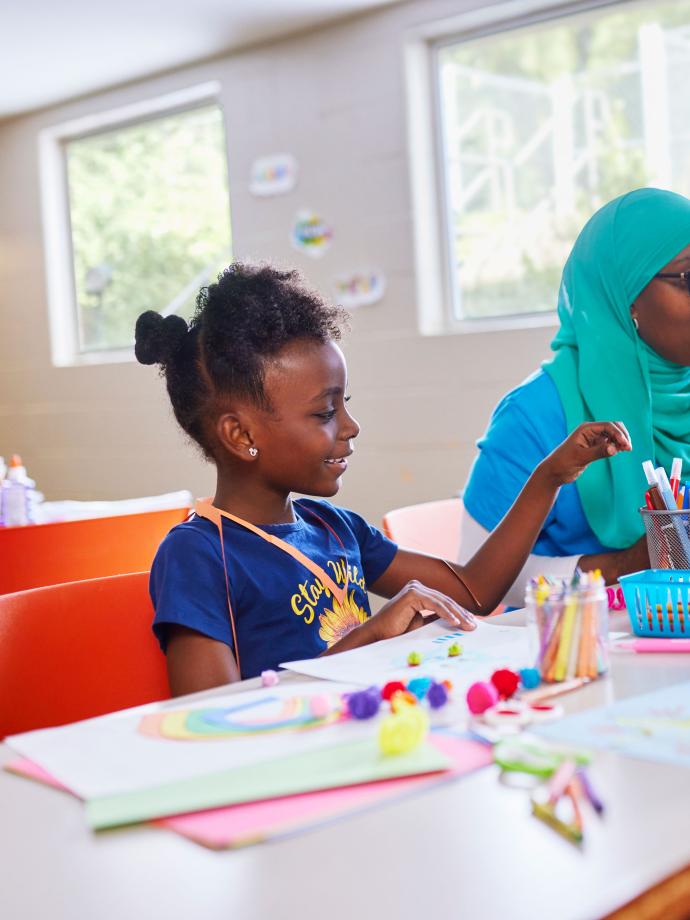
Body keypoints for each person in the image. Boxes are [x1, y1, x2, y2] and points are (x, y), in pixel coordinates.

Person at [135, 263, 630, 694]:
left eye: (344, 405)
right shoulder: (199, 554)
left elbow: (474, 592)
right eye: (325, 412)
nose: (349, 427)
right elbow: (209, 715)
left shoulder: (334, 528)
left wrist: (549, 477)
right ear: (241, 434)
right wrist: (369, 636)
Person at [460, 187, 690, 607]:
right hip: (566, 652)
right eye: (689, 279)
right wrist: (627, 564)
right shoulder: (533, 416)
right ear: (627, 295)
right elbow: (473, 578)